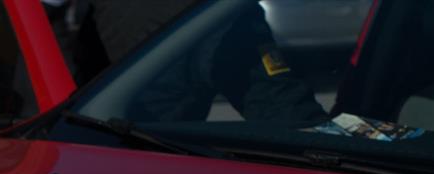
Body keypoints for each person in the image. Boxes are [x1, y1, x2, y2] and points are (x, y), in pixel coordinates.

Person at [81, 0, 327, 123]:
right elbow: (281, 109)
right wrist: (334, 144)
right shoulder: (210, 11)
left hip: (69, 159)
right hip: (146, 165)